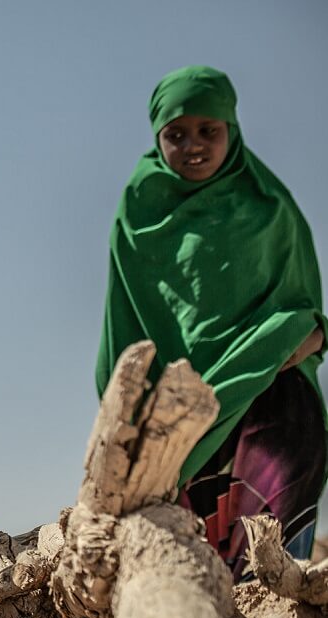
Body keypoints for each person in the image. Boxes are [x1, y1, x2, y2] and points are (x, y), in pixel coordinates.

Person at [97, 66, 326, 579]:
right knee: (184, 577)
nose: (193, 145)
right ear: (158, 137)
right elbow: (124, 322)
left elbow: (304, 306)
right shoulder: (138, 210)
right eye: (176, 134)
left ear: (232, 130)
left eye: (209, 130)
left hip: (272, 407)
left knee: (269, 588)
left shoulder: (268, 207)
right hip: (179, 426)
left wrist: (309, 335)